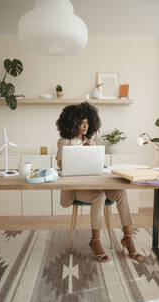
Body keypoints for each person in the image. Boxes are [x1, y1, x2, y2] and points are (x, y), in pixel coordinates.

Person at [56, 102, 144, 263]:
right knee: (100, 197)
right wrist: (80, 150)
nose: (85, 126)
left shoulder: (93, 141)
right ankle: (95, 241)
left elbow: (98, 164)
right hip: (76, 188)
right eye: (81, 122)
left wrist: (90, 148)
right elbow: (61, 164)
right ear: (72, 122)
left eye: (87, 123)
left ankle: (128, 237)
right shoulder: (64, 141)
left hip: (96, 184)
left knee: (121, 193)